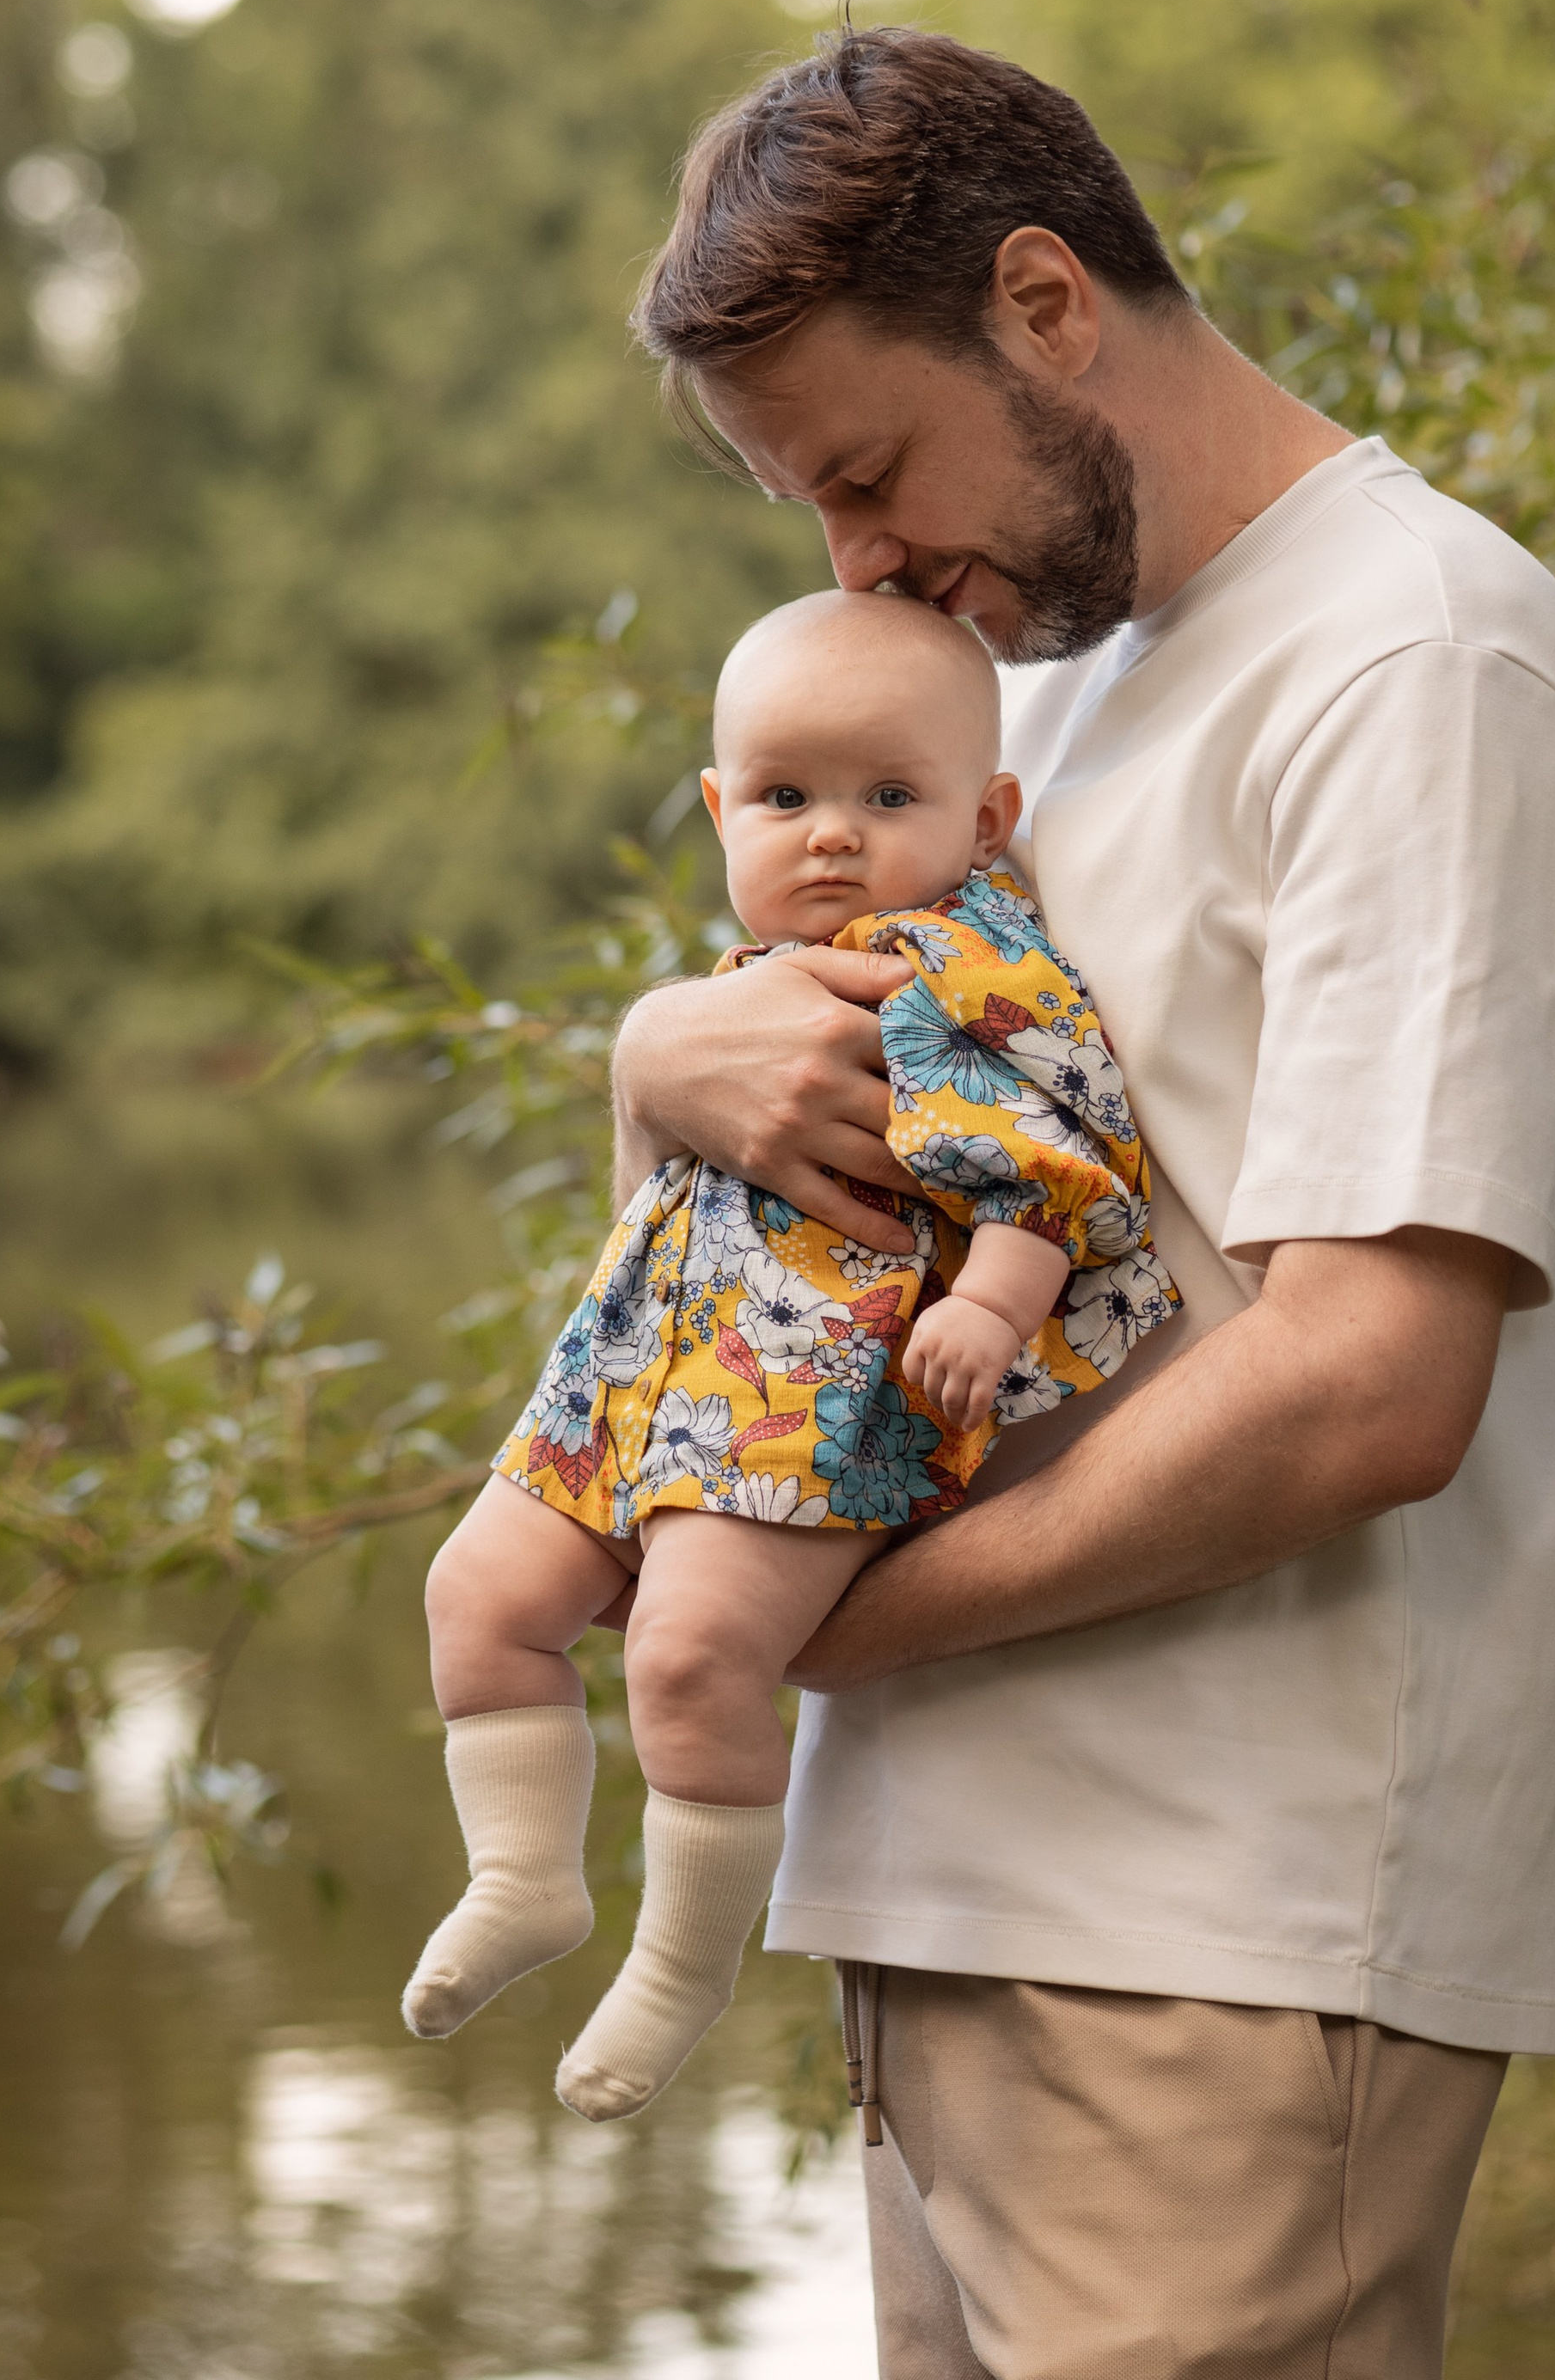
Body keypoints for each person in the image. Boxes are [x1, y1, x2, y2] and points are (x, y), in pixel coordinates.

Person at [610, 27, 1555, 2379]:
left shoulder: (1418, 659)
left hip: (1224, 1961)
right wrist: (656, 1061)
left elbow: (1370, 1382)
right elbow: (811, 1211)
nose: (861, 567)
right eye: (815, 518)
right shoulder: (1027, 690)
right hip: (951, 1920)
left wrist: (834, 1625)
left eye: (869, 473)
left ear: (1048, 303)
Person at [407, 589, 1176, 2121]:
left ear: (988, 809)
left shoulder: (968, 973)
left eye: (889, 797)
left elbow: (1060, 1170)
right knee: (475, 1595)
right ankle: (522, 1875)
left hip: (807, 1404)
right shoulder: (737, 978)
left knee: (692, 1658)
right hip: (634, 1378)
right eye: (785, 798)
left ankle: (682, 1966)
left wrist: (989, 1303)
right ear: (717, 808)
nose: (831, 835)